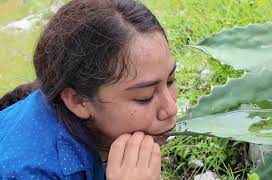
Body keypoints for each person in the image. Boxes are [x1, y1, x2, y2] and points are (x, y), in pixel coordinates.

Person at [0, 0, 177, 179]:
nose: (171, 109)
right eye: (144, 97)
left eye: (170, 81)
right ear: (78, 101)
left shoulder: (92, 129)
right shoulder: (29, 172)